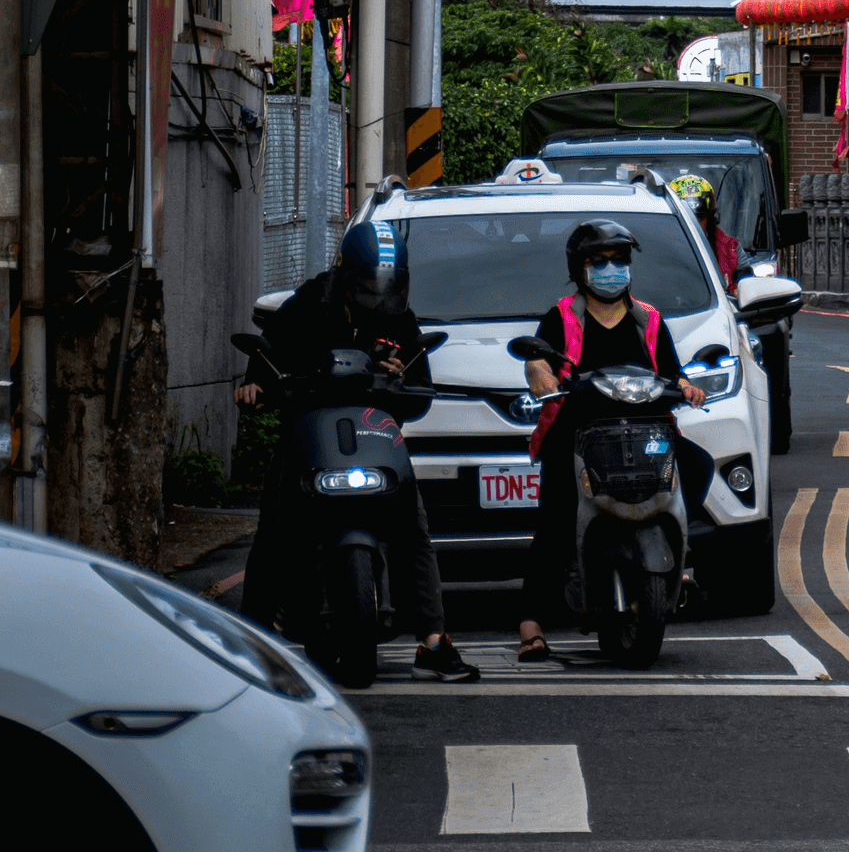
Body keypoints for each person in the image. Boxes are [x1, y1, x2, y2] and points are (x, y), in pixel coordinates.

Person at [236, 218, 478, 681]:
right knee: (273, 533)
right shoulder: (308, 304)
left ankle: (432, 641)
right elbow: (267, 355)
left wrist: (401, 379)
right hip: (308, 435)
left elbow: (419, 390)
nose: (378, 295)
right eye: (369, 284)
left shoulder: (400, 320)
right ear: (345, 275)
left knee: (413, 528)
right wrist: (254, 385)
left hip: (373, 435)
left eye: (387, 285)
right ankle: (252, 643)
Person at [515, 216, 706, 664]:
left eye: (619, 260)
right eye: (599, 261)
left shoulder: (650, 319)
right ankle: (530, 622)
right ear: (580, 269)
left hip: (644, 433)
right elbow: (538, 365)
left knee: (696, 466)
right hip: (579, 433)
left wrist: (688, 387)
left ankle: (685, 554)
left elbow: (672, 373)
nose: (611, 268)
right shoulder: (561, 317)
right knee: (555, 519)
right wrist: (540, 377)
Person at [669, 172, 741, 293]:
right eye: (684, 220)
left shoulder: (731, 249)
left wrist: (739, 292)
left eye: (698, 218)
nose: (692, 225)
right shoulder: (658, 250)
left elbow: (747, 287)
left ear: (712, 218)